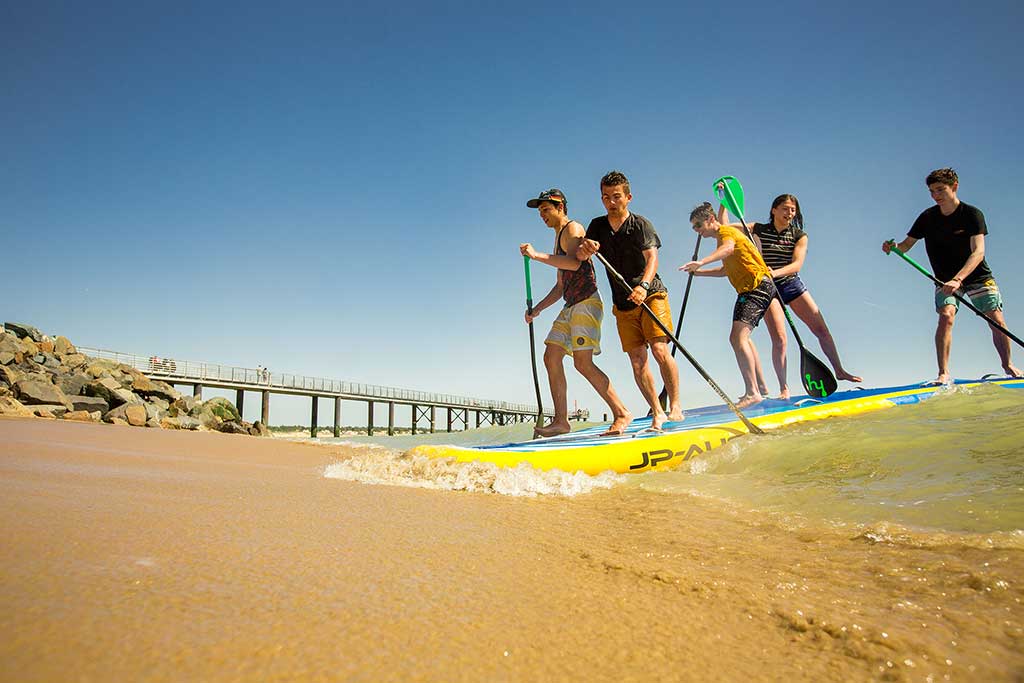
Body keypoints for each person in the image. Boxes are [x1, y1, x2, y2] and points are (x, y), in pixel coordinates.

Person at [883, 168, 1022, 383]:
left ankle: (1008, 366)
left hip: (976, 276)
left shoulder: (972, 214)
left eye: (940, 190)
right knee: (946, 316)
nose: (936, 195)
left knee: (996, 319)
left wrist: (958, 279)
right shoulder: (927, 217)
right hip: (943, 280)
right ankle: (943, 373)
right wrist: (893, 247)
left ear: (954, 187)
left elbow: (978, 252)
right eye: (931, 191)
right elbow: (906, 246)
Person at [718, 192, 862, 397]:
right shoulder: (757, 229)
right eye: (785, 208)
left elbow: (797, 265)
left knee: (821, 329)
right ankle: (784, 388)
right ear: (774, 210)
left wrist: (775, 272)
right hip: (768, 288)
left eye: (793, 210)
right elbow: (725, 228)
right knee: (780, 339)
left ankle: (839, 370)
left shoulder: (799, 235)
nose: (789, 213)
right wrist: (723, 202)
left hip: (790, 284)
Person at [520, 188, 632, 437]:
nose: (542, 215)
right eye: (540, 212)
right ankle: (561, 421)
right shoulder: (558, 235)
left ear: (561, 207)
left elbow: (574, 262)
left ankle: (622, 413)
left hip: (586, 302)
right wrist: (536, 309)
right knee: (551, 355)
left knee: (582, 363)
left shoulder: (573, 229)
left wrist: (537, 255)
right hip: (570, 305)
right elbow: (561, 286)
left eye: (546, 210)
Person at [577, 171, 683, 431]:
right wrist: (585, 249)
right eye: (605, 197)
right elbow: (581, 255)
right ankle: (657, 412)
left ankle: (675, 405)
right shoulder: (597, 226)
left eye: (616, 197)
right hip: (622, 302)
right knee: (637, 360)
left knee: (659, 350)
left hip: (651, 293)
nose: (610, 202)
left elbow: (652, 259)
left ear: (628, 197)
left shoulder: (641, 224)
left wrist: (643, 286)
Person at [681, 202, 776, 408]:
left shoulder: (726, 233)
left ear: (711, 219)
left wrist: (702, 262)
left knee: (738, 338)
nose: (697, 230)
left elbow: (728, 249)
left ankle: (753, 392)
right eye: (693, 228)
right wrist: (698, 273)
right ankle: (758, 389)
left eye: (698, 225)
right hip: (748, 290)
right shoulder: (721, 239)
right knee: (739, 339)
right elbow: (725, 270)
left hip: (757, 286)